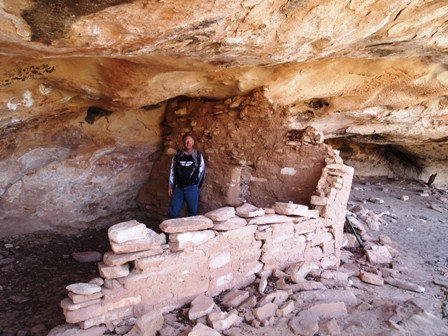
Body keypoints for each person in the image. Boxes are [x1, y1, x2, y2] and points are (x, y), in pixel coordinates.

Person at [168, 133, 205, 218]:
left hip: (192, 188)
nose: (188, 143)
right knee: (173, 212)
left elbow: (201, 171)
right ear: (183, 142)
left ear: (193, 142)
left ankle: (191, 231)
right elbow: (172, 170)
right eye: (186, 141)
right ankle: (168, 230)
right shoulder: (177, 155)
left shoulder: (198, 155)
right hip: (178, 188)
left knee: (192, 213)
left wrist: (196, 186)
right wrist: (170, 185)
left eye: (190, 141)